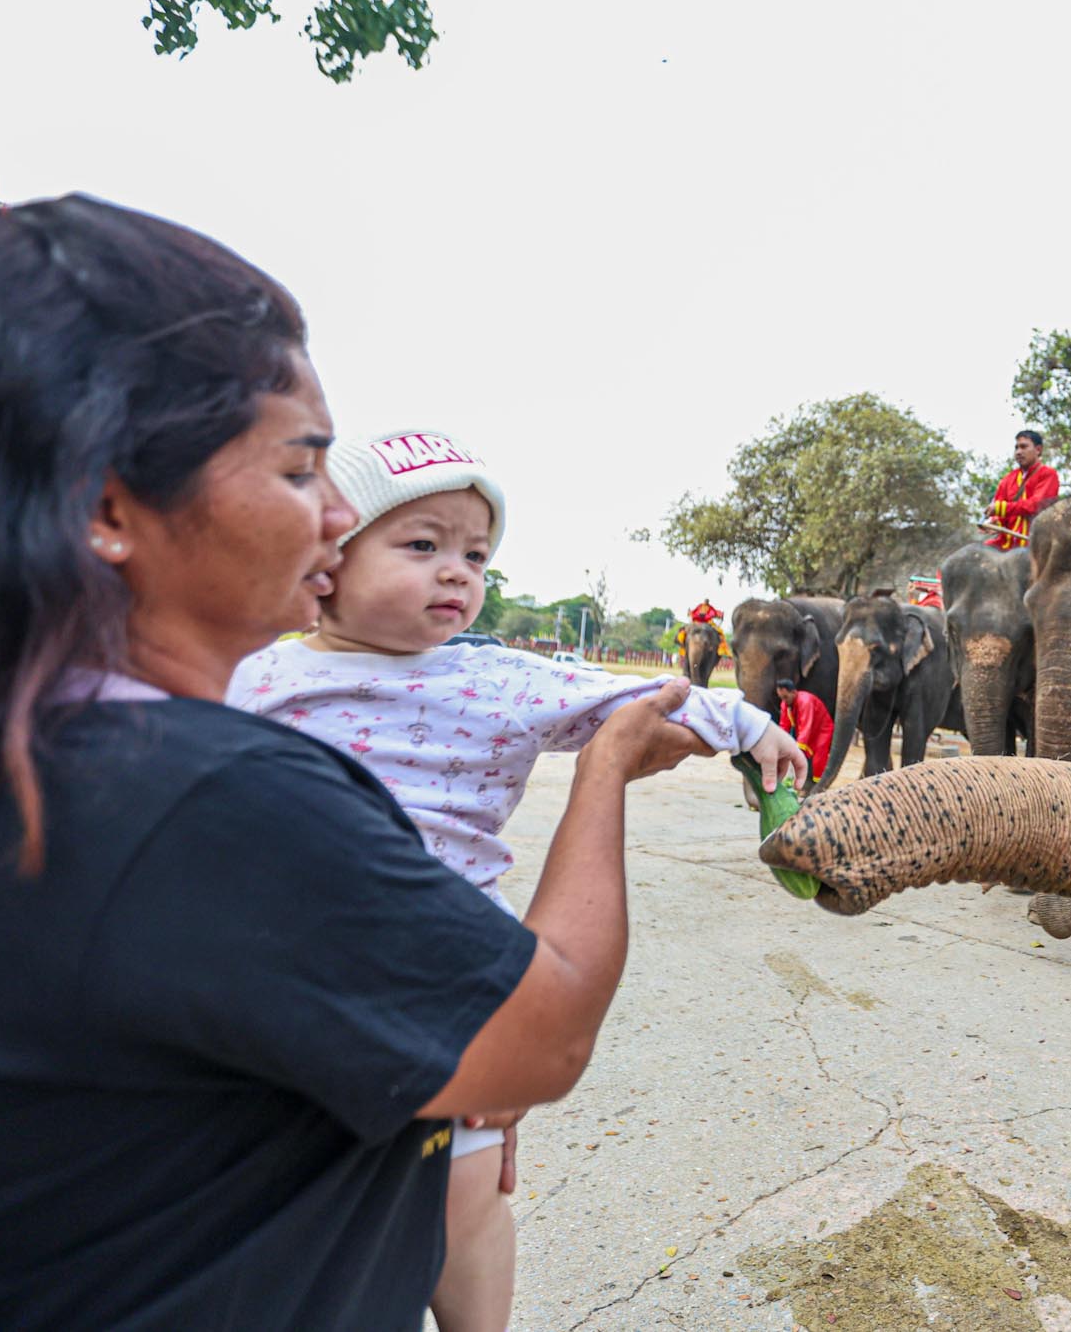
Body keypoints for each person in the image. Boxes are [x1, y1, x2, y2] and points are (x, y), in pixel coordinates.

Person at [0, 196, 754, 1330]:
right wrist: (607, 766)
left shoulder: (6, 746)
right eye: (297, 473)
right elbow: (541, 1036)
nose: (335, 519)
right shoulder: (208, 795)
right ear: (108, 504)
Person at [225, 430, 805, 1331]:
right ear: (325, 558)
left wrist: (747, 724)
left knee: (464, 1189)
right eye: (421, 545)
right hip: (302, 974)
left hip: (452, 969)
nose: (456, 571)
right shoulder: (258, 674)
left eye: (475, 554)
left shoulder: (500, 679)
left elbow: (639, 699)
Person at [984, 429, 1059, 550]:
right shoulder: (1007, 479)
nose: (1018, 452)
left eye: (1024, 447)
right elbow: (1000, 513)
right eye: (1016, 447)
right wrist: (994, 522)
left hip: (1034, 546)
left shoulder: (1048, 474)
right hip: (1006, 545)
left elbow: (1036, 505)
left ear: (1038, 450)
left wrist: (1001, 508)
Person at [776, 678, 835, 776]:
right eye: (781, 698)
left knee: (818, 759)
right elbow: (784, 725)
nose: (784, 701)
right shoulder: (785, 704)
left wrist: (798, 750)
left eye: (786, 697)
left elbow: (806, 726)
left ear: (794, 693)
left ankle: (818, 784)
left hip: (822, 730)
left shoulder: (805, 701)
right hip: (806, 730)